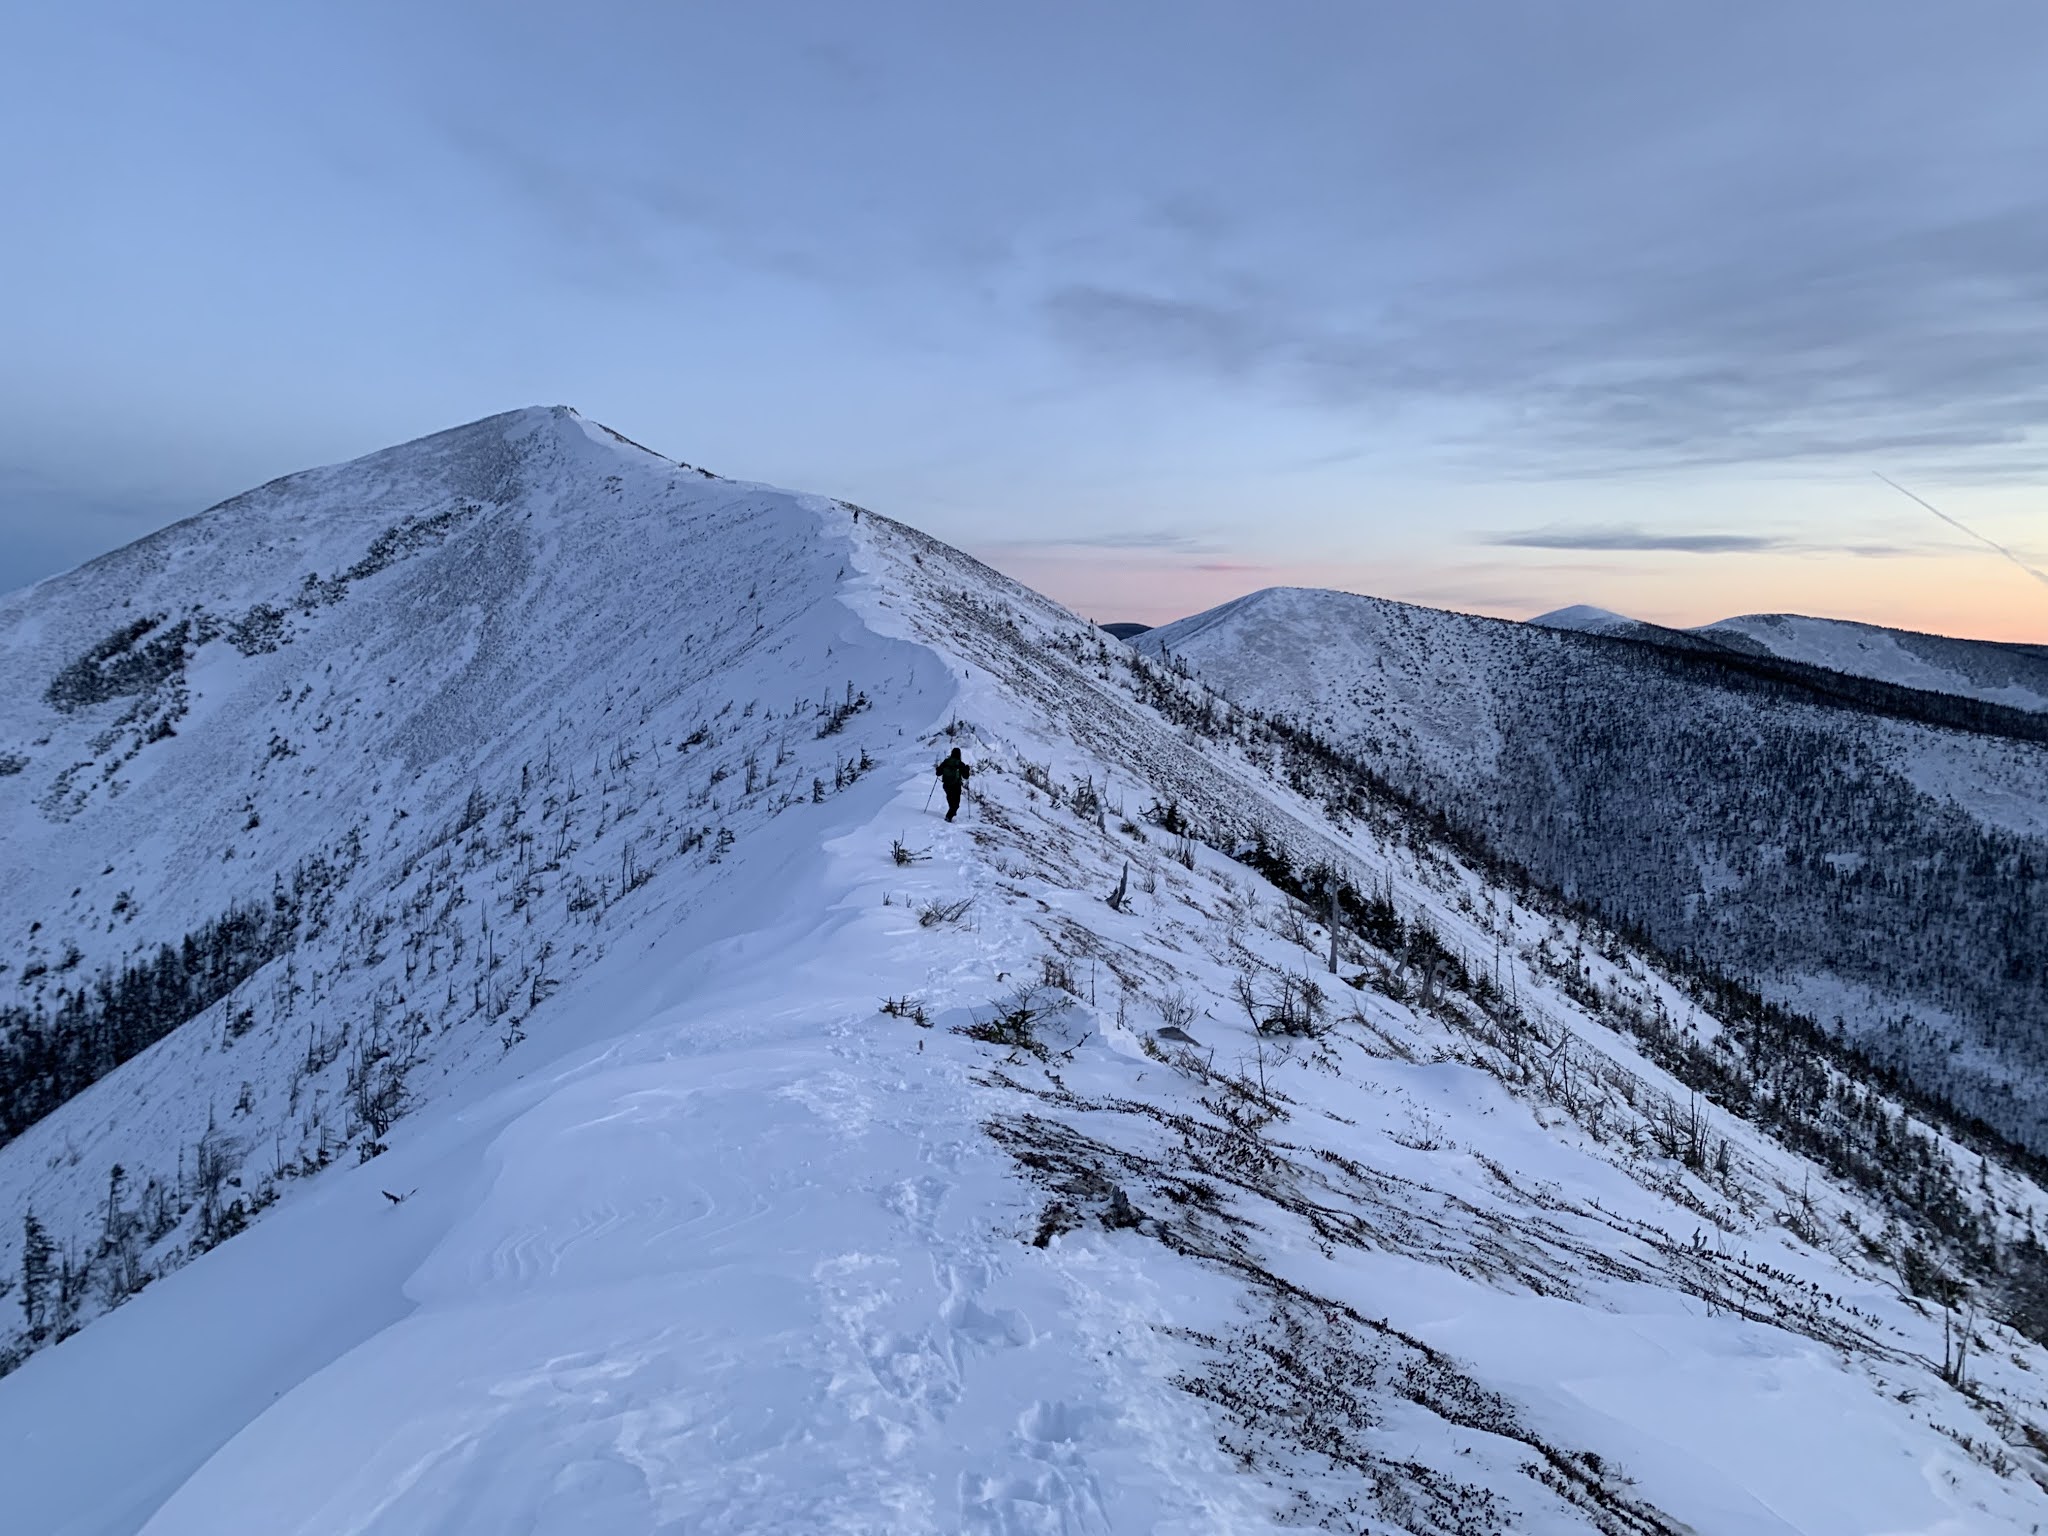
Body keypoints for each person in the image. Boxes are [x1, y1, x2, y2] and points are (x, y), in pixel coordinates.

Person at [934, 746, 972, 821]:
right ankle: (949, 816)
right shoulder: (960, 764)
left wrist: (938, 768)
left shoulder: (946, 762)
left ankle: (952, 812)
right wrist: (967, 769)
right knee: (956, 804)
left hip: (946, 785)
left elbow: (938, 773)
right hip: (956, 786)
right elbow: (966, 776)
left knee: (951, 800)